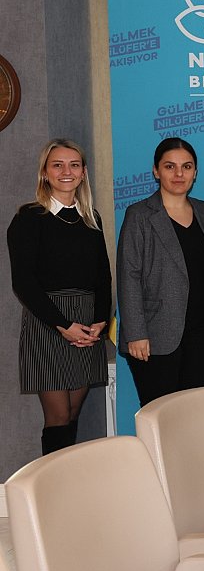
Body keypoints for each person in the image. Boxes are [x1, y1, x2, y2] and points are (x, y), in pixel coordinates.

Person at [6, 139, 111, 455]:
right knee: (58, 416)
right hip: (48, 321)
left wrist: (100, 321)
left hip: (87, 325)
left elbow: (103, 277)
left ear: (83, 172)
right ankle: (50, 485)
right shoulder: (28, 217)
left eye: (74, 165)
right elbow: (23, 282)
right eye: (58, 165)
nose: (67, 171)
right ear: (45, 172)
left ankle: (65, 480)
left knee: (72, 414)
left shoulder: (91, 218)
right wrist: (62, 325)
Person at [117, 138, 204, 407]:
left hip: (201, 334)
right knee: (159, 416)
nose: (179, 174)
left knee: (189, 416)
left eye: (186, 166)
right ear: (156, 171)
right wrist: (135, 333)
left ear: (195, 172)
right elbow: (129, 277)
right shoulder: (139, 215)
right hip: (154, 335)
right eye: (170, 166)